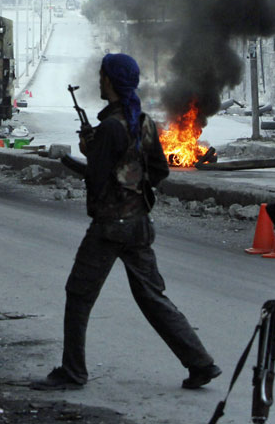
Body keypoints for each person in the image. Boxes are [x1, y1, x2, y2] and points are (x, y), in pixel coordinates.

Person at [31, 53, 220, 391]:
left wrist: (85, 155)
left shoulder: (110, 128)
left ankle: (73, 371)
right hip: (138, 223)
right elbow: (158, 171)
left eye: (103, 76)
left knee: (78, 294)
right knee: (153, 297)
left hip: (109, 227)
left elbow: (97, 178)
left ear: (111, 81)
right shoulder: (143, 123)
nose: (99, 80)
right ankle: (201, 363)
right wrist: (133, 188)